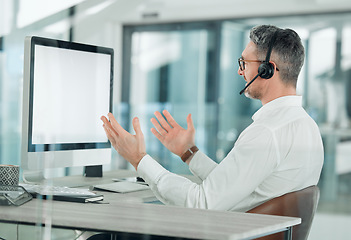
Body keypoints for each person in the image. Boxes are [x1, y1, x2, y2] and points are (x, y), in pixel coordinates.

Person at [101, 25, 324, 212]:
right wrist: (189, 153)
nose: (240, 72)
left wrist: (139, 159)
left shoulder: (268, 132)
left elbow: (202, 202)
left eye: (245, 63)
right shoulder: (306, 126)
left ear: (267, 70)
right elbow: (235, 186)